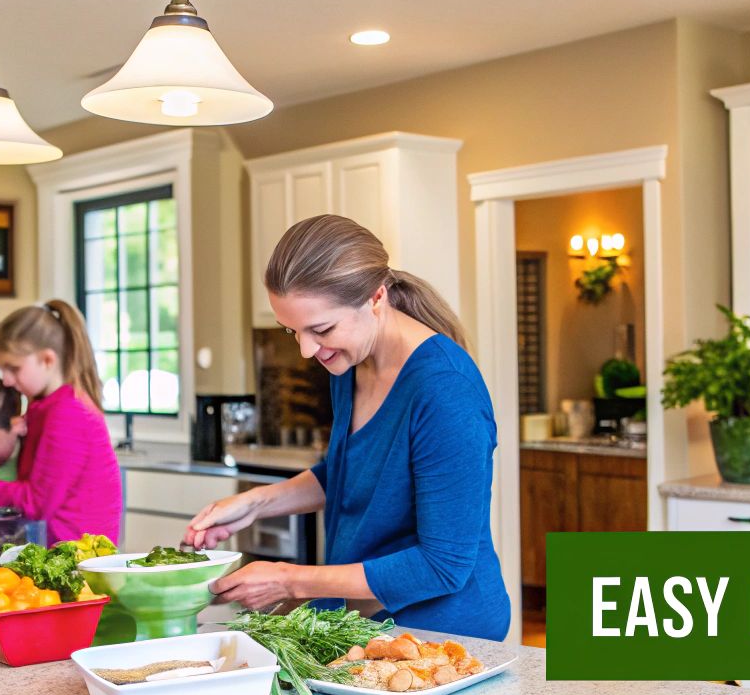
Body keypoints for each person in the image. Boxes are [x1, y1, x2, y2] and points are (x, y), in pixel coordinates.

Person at [185, 215, 510, 640]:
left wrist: (289, 580)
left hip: (442, 635)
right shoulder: (350, 364)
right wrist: (255, 503)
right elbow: (350, 474)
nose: (306, 350)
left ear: (376, 297)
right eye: (292, 330)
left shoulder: (445, 390)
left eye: (321, 329)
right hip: (363, 624)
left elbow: (442, 565)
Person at [0, 301, 123, 543]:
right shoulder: (46, 406)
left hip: (78, 556)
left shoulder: (69, 413)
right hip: (60, 546)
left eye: (13, 368)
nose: (6, 380)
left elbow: (36, 503)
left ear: (47, 360)